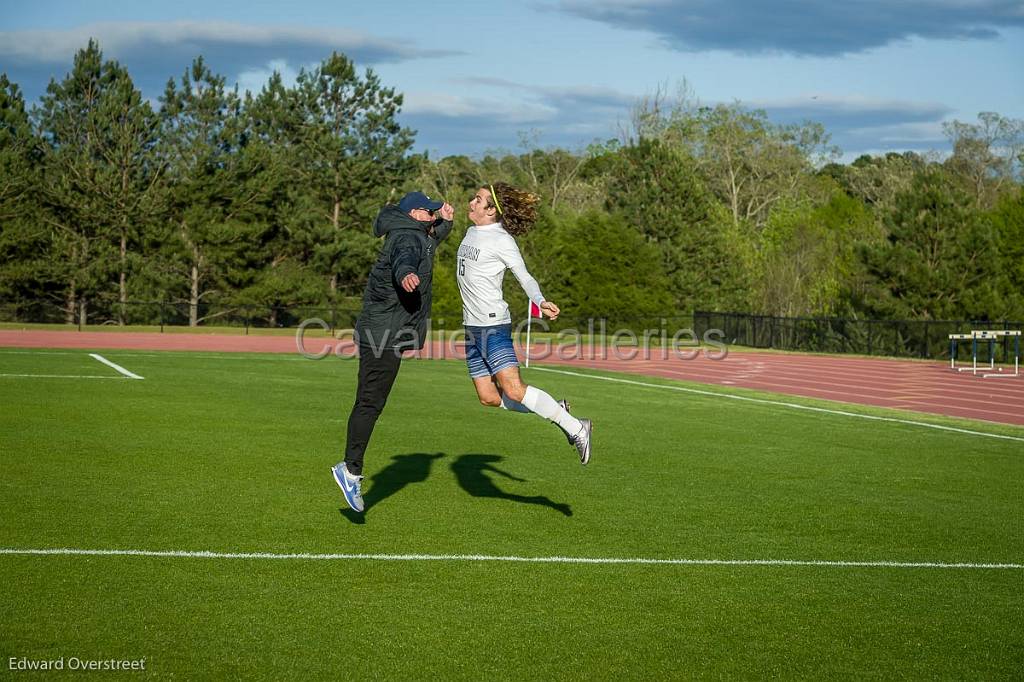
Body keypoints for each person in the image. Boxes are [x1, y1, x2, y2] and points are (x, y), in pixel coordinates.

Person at [332, 191, 454, 513]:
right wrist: (406, 275)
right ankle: (350, 470)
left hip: (385, 331)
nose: (434, 217)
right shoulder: (407, 239)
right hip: (382, 334)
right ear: (415, 213)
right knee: (370, 402)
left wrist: (448, 221)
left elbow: (432, 240)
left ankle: (351, 467)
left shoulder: (414, 232)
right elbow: (404, 260)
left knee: (372, 402)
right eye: (430, 213)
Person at [455, 182, 592, 463]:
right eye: (474, 198)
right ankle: (557, 410)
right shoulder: (470, 232)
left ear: (492, 210)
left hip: (493, 326)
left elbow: (524, 276)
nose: (472, 202)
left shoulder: (502, 240)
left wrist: (540, 300)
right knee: (489, 397)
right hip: (472, 327)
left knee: (514, 390)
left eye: (479, 200)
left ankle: (577, 428)